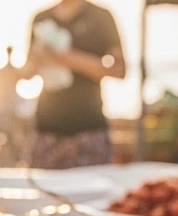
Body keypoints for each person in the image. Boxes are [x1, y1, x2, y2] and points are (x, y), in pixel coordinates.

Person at [18, 0, 124, 169]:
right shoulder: (41, 18)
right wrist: (35, 61)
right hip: (45, 131)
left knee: (90, 193)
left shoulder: (101, 16)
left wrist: (68, 58)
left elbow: (119, 70)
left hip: (89, 132)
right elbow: (27, 72)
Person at [0, 46, 23, 164]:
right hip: (3, 107)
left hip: (11, 108)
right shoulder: (0, 72)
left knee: (11, 136)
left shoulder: (14, 71)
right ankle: (2, 160)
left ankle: (11, 160)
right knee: (1, 135)